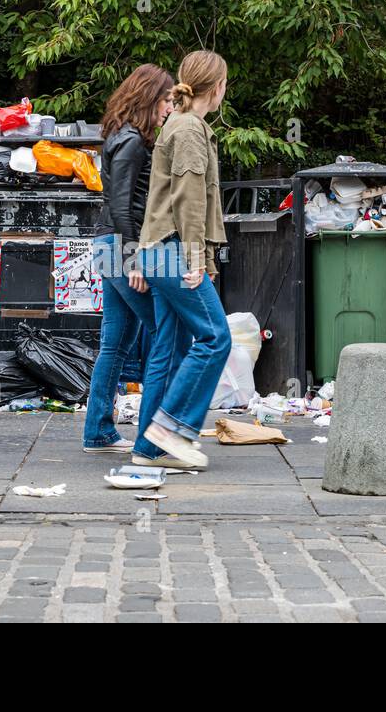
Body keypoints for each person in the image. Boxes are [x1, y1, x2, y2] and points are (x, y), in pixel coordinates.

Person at [134, 51, 231, 469]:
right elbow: (190, 200)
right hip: (174, 252)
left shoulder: (181, 123)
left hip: (159, 251)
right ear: (218, 87)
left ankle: (148, 448)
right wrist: (196, 258)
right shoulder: (190, 128)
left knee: (168, 351)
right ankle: (170, 431)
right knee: (215, 338)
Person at [81, 64, 176, 453]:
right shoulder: (132, 141)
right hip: (121, 248)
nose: (169, 107)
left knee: (116, 343)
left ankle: (98, 432)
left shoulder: (123, 136)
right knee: (164, 332)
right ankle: (155, 437)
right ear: (149, 98)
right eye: (166, 100)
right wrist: (135, 259)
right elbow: (121, 204)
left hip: (110, 245)